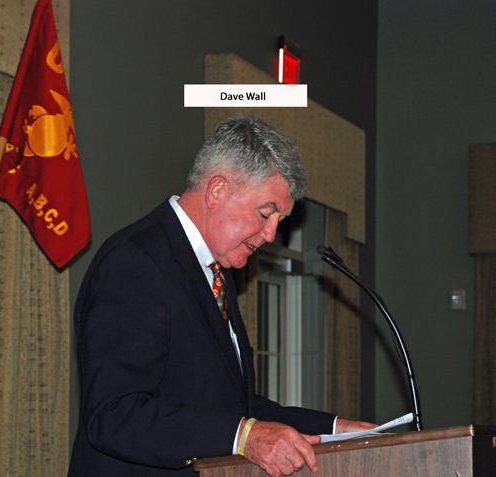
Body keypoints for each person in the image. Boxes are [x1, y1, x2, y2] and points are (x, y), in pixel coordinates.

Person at [68, 115, 375, 477]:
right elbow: (115, 414)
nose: (271, 235)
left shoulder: (217, 273)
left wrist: (336, 430)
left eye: (278, 221)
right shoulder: (135, 261)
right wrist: (243, 436)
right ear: (216, 191)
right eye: (266, 213)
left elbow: (234, 409)